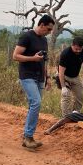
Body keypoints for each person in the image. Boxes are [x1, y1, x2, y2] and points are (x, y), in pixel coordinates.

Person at [12, 15, 54, 151]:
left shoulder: (44, 41)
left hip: (40, 77)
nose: (49, 32)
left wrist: (47, 77)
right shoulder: (27, 36)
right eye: (48, 29)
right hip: (27, 75)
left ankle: (27, 138)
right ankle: (28, 136)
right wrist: (32, 58)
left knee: (33, 106)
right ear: (41, 25)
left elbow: (44, 60)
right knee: (36, 102)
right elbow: (15, 56)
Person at [58, 37, 83, 116]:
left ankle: (75, 114)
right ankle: (66, 116)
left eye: (80, 49)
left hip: (75, 77)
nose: (78, 51)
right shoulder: (65, 54)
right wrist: (63, 87)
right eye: (76, 49)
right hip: (64, 76)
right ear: (72, 45)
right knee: (66, 96)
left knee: (79, 96)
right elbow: (61, 72)